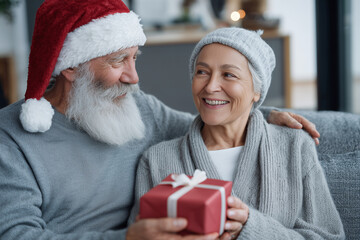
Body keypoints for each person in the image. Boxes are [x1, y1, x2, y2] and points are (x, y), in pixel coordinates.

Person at [0, 0, 319, 239]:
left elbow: (206, 126)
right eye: (117, 61)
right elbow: (16, 235)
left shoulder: (137, 106)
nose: (133, 77)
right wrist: (126, 238)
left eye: (134, 58)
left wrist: (259, 112)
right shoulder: (11, 138)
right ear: (70, 67)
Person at [128, 27, 345, 240]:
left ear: (257, 91)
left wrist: (252, 229)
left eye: (229, 75)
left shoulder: (294, 147)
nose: (211, 86)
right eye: (202, 72)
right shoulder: (157, 160)